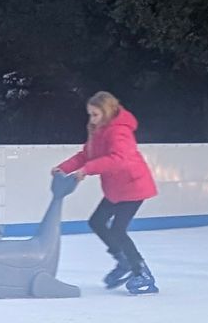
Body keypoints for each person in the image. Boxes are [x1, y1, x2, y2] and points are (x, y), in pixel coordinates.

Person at [55, 91, 159, 294]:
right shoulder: (98, 131)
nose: (91, 119)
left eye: (95, 114)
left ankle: (142, 272)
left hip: (133, 186)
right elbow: (86, 155)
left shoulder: (120, 131)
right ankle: (124, 262)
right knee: (97, 221)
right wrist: (64, 168)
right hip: (116, 188)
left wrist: (87, 170)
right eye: (90, 114)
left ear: (107, 111)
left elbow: (118, 159)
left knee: (118, 230)